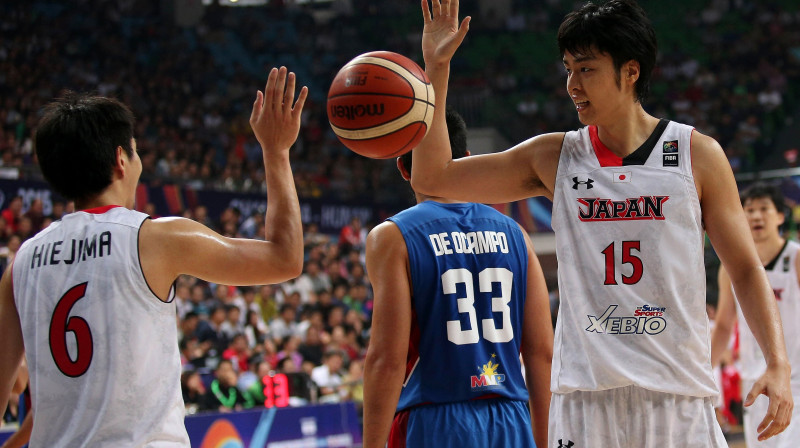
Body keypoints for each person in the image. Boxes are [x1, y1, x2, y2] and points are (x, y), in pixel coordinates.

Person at [411, 0, 793, 446]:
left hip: (677, 395)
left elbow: (746, 269)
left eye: (587, 69)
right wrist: (435, 69)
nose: (572, 84)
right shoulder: (554, 156)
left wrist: (777, 362)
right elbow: (434, 178)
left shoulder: (697, 155)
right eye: (568, 69)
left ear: (630, 71)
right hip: (585, 398)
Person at [0, 66, 307, 447]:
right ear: (121, 160)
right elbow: (285, 259)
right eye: (136, 150)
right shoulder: (154, 237)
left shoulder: (21, 263)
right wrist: (276, 151)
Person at [363, 107, 553, 448]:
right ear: (466, 159)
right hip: (510, 418)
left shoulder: (392, 236)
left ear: (403, 168)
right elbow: (541, 354)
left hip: (435, 419)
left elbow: (387, 361)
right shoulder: (517, 235)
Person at [711, 183, 800, 447]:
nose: (756, 216)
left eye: (764, 209)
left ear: (780, 216)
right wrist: (704, 371)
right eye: (749, 210)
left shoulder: (795, 258)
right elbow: (725, 325)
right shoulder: (731, 268)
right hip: (754, 382)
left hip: (796, 379)